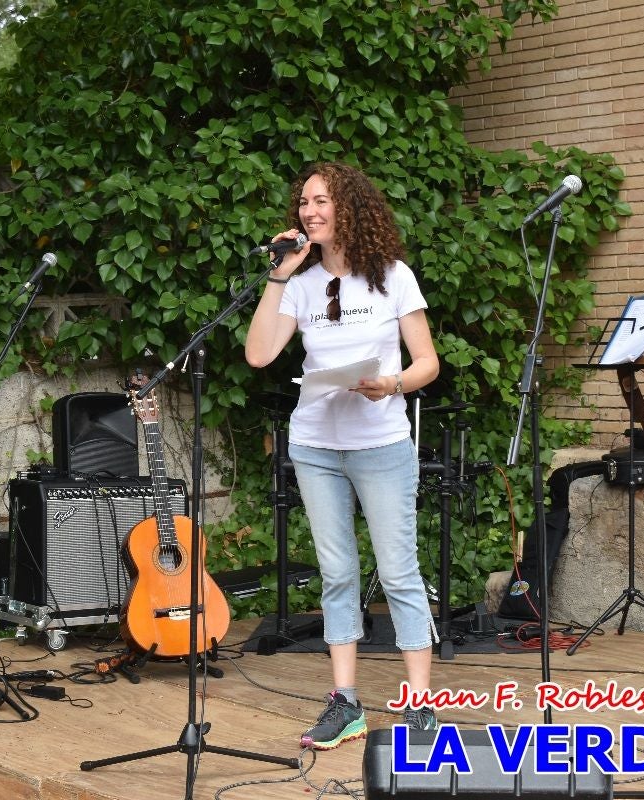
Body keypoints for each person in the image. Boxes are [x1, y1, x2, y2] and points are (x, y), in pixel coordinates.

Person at [244, 161, 441, 750]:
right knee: (337, 573)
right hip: (315, 445)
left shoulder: (393, 276)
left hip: (381, 444)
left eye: (321, 200)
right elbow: (259, 355)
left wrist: (394, 385)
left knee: (400, 572)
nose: (309, 211)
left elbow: (427, 361)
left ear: (349, 207)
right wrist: (279, 276)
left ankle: (421, 706)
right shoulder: (299, 284)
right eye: (303, 202)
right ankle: (346, 705)